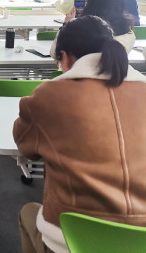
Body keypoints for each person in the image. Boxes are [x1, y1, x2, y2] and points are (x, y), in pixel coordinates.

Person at [14, 15, 146, 253]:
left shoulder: (50, 95)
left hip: (72, 240)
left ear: (65, 57)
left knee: (28, 213)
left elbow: (26, 149)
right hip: (140, 241)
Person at [50, 0, 136, 58]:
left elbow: (55, 54)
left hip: (81, 72)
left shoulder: (79, 32)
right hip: (117, 72)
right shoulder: (129, 33)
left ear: (92, 7)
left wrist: (66, 26)